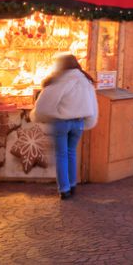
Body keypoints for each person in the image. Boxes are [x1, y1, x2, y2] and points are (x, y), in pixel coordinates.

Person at [32, 55, 98, 200]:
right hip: (79, 122)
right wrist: (89, 120)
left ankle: (64, 189)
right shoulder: (85, 80)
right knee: (71, 153)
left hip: (61, 122)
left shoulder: (60, 80)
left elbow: (44, 103)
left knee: (61, 155)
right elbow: (93, 104)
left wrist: (39, 115)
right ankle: (73, 184)